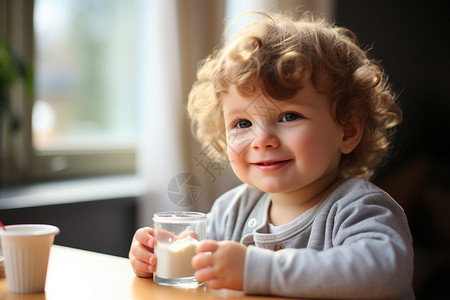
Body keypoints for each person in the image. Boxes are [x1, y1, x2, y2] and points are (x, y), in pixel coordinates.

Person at [129, 11, 414, 299]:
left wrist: (256, 269)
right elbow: (201, 271)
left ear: (348, 131)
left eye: (289, 116)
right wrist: (159, 257)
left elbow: (386, 273)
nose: (262, 140)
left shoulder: (360, 208)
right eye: (242, 123)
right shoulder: (231, 211)